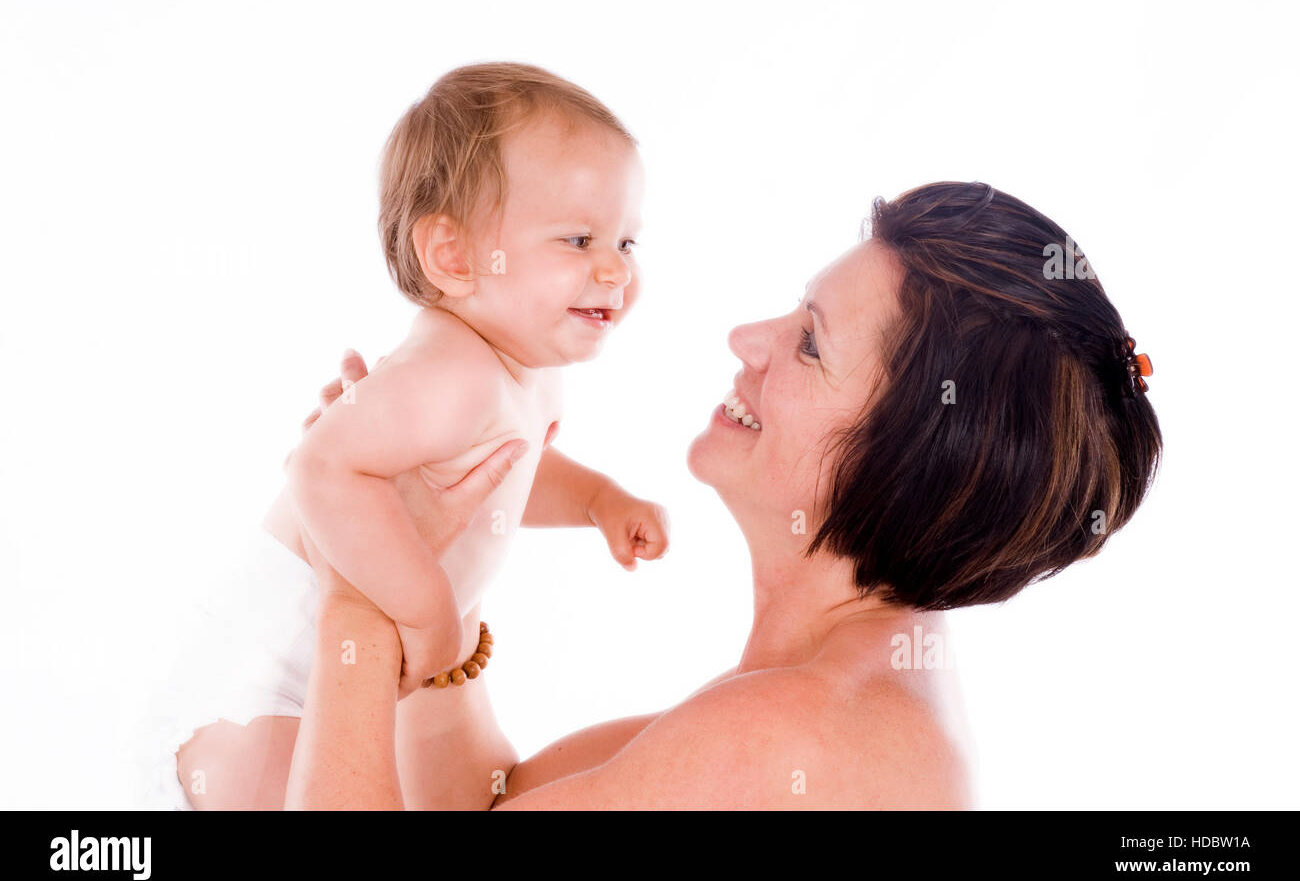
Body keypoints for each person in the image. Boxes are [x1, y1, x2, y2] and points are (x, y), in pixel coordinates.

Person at [283, 182, 1164, 809]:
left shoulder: (791, 742)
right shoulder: (828, 698)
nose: (747, 338)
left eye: (811, 344)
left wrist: (355, 570)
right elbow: (487, 801)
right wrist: (431, 565)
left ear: (909, 456)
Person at [155, 63, 669, 811]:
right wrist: (427, 608)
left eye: (627, 241)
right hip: (264, 683)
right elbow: (320, 466)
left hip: (345, 679)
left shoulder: (523, 368)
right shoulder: (450, 370)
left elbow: (506, 471)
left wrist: (595, 499)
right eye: (580, 238)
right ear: (454, 257)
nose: (614, 270)